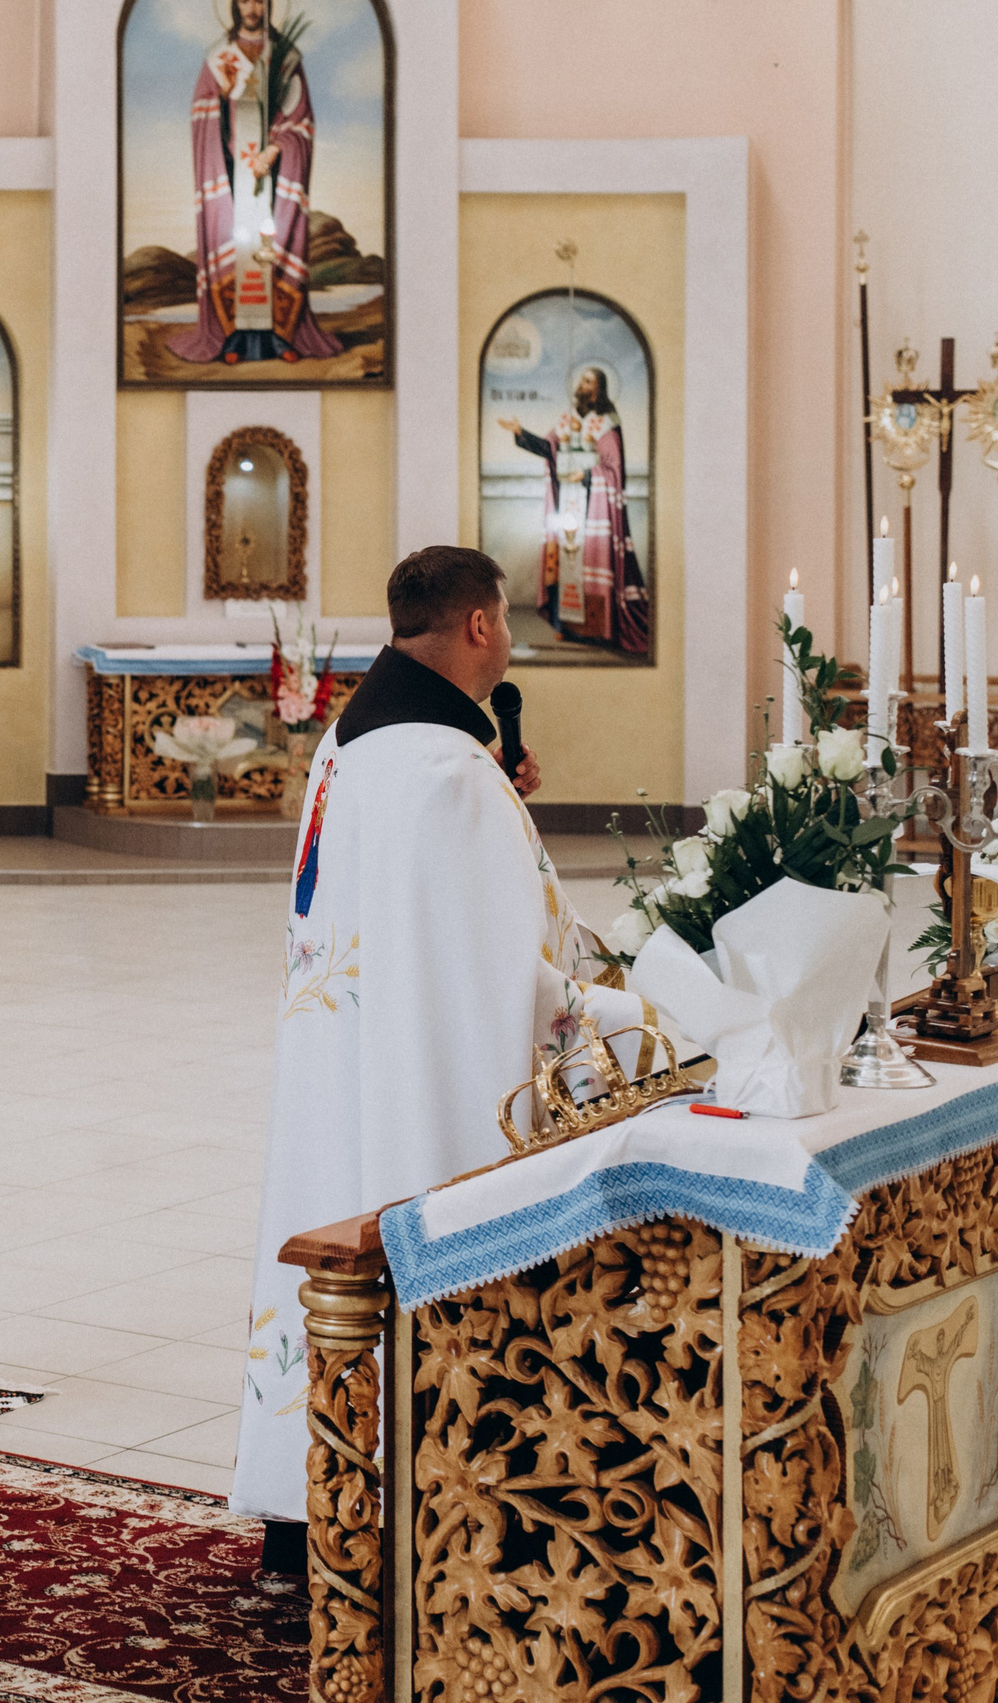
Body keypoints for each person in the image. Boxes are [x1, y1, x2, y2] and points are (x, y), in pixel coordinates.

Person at [233, 545, 643, 1569]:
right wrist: (638, 1018)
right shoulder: (451, 775)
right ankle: (450, 1506)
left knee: (338, 1205)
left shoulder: (351, 743)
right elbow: (507, 987)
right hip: (424, 1076)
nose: (507, 642)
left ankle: (317, 1500)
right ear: (478, 626)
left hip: (344, 1063)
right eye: (504, 623)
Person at [169, 0, 344, 367]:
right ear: (234, 4)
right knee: (238, 249)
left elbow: (301, 120)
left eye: (260, 0)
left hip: (274, 172)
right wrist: (224, 117)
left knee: (271, 247)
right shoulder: (219, 57)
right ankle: (234, 335)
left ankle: (280, 336)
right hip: (232, 170)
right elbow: (202, 113)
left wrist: (276, 148)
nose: (252, 7)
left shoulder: (285, 57)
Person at [499, 366, 650, 655]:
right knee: (566, 562)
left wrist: (587, 474)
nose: (582, 384)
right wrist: (520, 432)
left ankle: (596, 631)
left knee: (590, 561)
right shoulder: (567, 420)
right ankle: (567, 626)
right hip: (567, 502)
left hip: (594, 507)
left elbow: (613, 467)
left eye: (588, 380)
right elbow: (549, 448)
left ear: (598, 388)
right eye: (581, 379)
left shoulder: (606, 423)